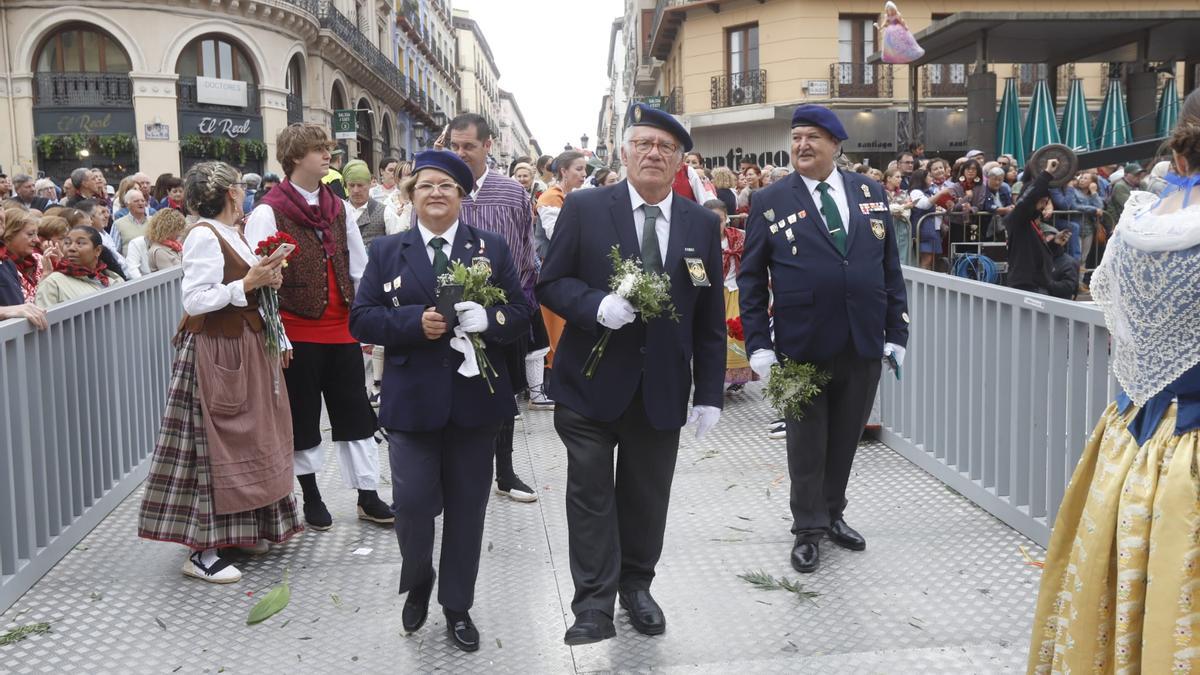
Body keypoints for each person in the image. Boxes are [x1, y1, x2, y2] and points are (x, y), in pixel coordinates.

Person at [537, 102, 725, 645]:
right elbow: (551, 283)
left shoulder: (699, 224)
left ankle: (637, 587)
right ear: (623, 153)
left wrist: (709, 392)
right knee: (591, 494)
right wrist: (597, 305)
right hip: (588, 387)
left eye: (665, 147)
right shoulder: (587, 207)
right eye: (643, 143)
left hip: (661, 389)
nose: (653, 154)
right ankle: (593, 605)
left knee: (646, 497)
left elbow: (709, 319)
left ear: (680, 162)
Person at [1027, 88, 1200, 673]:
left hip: (1135, 436)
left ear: (1179, 158)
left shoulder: (1136, 227)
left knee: (1121, 593)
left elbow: (1121, 330)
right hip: (1188, 453)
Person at [349, 150, 531, 653]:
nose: (436, 193)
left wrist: (488, 321)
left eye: (447, 186)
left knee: (468, 510)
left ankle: (457, 605)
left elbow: (521, 312)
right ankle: (419, 579)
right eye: (426, 185)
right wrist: (412, 324)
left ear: (462, 196)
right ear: (410, 195)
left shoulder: (489, 248)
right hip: (412, 404)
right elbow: (361, 319)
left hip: (476, 404)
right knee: (410, 505)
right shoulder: (388, 251)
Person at [739, 104, 909, 576]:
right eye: (796, 138)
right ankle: (807, 529)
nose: (802, 145)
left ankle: (833, 513)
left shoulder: (868, 191)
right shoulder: (769, 200)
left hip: (862, 342)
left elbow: (888, 267)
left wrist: (897, 332)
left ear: (836, 144)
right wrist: (759, 345)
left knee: (845, 440)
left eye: (813, 137)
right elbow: (751, 280)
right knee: (805, 442)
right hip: (799, 346)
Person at [137, 161, 299, 584]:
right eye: (240, 189)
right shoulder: (204, 236)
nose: (244, 194)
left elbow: (244, 285)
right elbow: (195, 300)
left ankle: (242, 532)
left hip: (243, 346)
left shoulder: (232, 232)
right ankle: (201, 550)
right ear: (231, 193)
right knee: (211, 446)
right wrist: (247, 284)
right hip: (217, 351)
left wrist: (265, 280)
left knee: (248, 438)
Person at [246, 122, 393, 531]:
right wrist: (276, 335)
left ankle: (367, 495)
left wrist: (364, 318)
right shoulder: (267, 211)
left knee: (357, 416)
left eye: (327, 148)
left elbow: (359, 267)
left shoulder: (338, 206)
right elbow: (258, 280)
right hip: (298, 330)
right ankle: (310, 495)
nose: (327, 154)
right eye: (318, 149)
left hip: (342, 327)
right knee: (304, 418)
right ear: (295, 157)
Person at [444, 113, 543, 502]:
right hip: (450, 312)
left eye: (467, 145)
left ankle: (505, 472)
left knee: (503, 395)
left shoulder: (512, 192)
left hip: (502, 311)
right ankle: (456, 472)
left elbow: (526, 248)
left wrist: (519, 303)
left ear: (488, 146)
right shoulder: (441, 187)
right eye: (454, 145)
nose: (460, 153)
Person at [534, 150, 588, 404]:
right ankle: (552, 382)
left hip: (576, 270)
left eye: (584, 169)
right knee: (554, 327)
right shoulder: (550, 198)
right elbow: (560, 236)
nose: (584, 174)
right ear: (563, 171)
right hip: (556, 271)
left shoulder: (576, 197)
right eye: (578, 169)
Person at [706, 199, 752, 392]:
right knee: (713, 338)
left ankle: (737, 378)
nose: (716, 224)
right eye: (711, 220)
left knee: (736, 334)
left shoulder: (738, 238)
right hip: (711, 295)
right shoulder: (699, 240)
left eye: (720, 220)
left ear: (727, 220)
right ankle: (712, 376)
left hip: (734, 290)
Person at [1003, 157, 1063, 296]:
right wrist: (1047, 173)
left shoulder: (1031, 223)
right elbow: (1027, 200)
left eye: (1046, 202)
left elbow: (1034, 251)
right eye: (1041, 202)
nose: (1043, 206)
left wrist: (1054, 243)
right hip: (1025, 287)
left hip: (1037, 285)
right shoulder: (1017, 220)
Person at [34, 225, 125, 308]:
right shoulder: (53, 283)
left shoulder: (113, 279)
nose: (71, 248)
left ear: (97, 250)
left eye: (80, 243)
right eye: (67, 243)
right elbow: (45, 321)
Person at [342, 159, 398, 250]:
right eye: (351, 185)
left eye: (360, 185)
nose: (356, 190)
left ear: (369, 184)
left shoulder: (385, 212)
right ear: (346, 185)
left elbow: (395, 245)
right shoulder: (338, 210)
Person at [3, 208, 43, 301]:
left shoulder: (41, 260)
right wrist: (45, 279)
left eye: (37, 234)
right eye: (30, 234)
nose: (37, 240)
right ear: (9, 235)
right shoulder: (3, 266)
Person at [883, 167, 914, 265]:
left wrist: (898, 209)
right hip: (886, 228)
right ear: (888, 178)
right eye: (897, 177)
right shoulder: (880, 191)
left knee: (903, 257)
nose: (900, 179)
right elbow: (885, 208)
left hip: (902, 229)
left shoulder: (904, 193)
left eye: (900, 177)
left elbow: (907, 213)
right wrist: (903, 207)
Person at [113, 189, 152, 256]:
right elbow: (115, 252)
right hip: (129, 264)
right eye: (136, 201)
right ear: (127, 205)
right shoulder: (118, 224)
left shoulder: (153, 221)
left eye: (142, 200)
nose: (140, 203)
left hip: (151, 264)